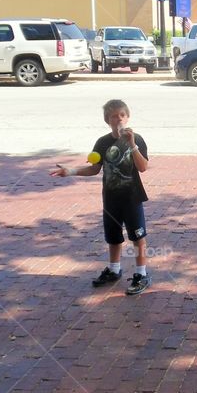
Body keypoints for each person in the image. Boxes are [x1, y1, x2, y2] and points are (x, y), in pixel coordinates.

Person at [50, 99, 151, 295]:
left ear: (127, 117)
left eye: (122, 115)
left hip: (132, 197)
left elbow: (143, 167)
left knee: (138, 237)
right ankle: (114, 270)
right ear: (107, 120)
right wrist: (70, 171)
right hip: (111, 198)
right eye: (114, 116)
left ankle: (141, 274)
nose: (119, 119)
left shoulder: (136, 139)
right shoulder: (102, 142)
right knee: (113, 237)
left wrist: (132, 145)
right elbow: (94, 168)